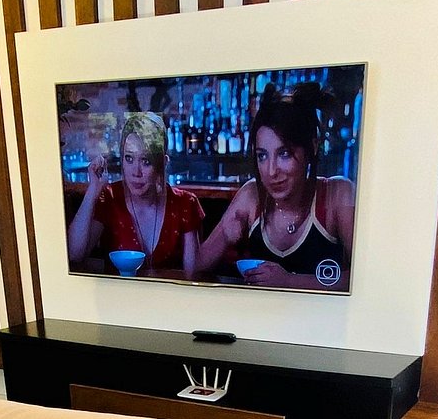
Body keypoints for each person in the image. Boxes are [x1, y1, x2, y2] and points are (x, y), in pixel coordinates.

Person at [191, 82, 355, 290]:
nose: (271, 171)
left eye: (284, 154)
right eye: (262, 156)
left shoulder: (338, 194)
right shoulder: (251, 195)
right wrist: (225, 235)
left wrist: (289, 281)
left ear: (312, 147)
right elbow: (194, 270)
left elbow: (366, 277)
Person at [65, 112, 204, 276]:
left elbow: (191, 276)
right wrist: (92, 191)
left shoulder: (185, 203)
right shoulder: (110, 197)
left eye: (146, 161)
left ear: (162, 163)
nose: (136, 172)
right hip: (116, 292)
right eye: (129, 158)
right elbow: (74, 256)